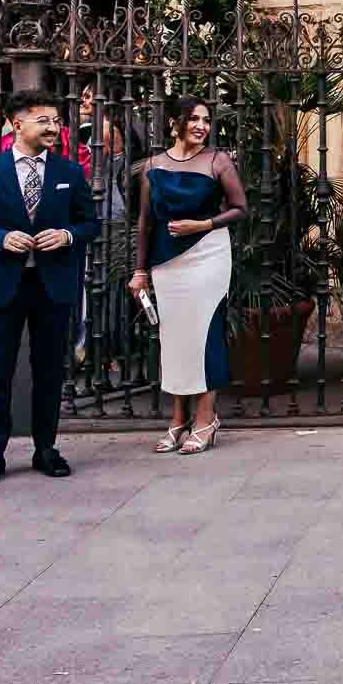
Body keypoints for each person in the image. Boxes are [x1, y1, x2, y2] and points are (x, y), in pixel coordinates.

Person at [0, 90, 99, 487]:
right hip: (3, 285)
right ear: (18, 125)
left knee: (50, 371)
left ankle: (46, 448)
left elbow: (90, 223)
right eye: (44, 121)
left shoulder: (69, 172)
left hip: (52, 285)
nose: (53, 128)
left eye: (56, 121)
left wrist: (67, 235)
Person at [129, 96, 245, 455]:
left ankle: (207, 420)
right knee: (174, 337)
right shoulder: (152, 166)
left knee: (205, 333)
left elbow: (241, 208)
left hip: (209, 253)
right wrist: (140, 270)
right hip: (167, 261)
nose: (201, 126)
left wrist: (204, 223)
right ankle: (178, 421)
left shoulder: (217, 161)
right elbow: (145, 222)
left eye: (206, 120)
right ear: (173, 124)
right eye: (193, 119)